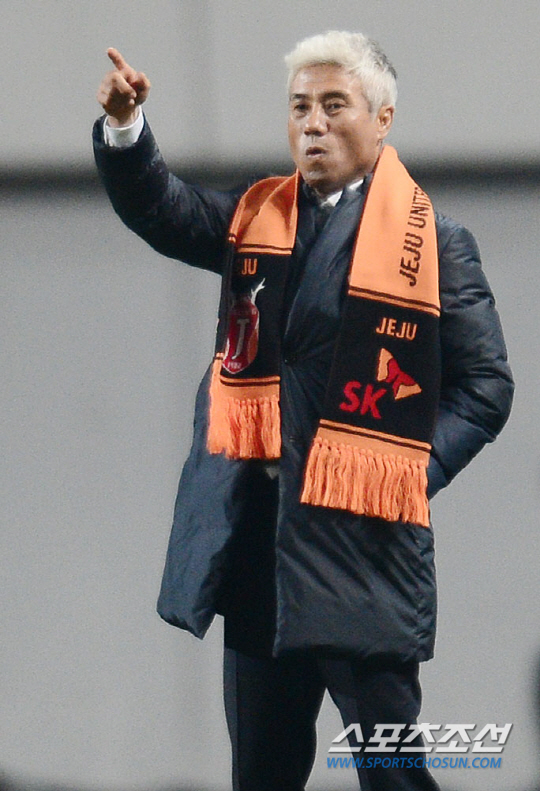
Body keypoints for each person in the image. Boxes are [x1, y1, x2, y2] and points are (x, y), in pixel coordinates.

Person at [94, 31, 513, 791]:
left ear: (382, 119)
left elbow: (486, 388)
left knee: (391, 773)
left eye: (333, 105)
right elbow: (164, 208)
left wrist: (406, 475)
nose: (312, 124)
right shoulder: (257, 218)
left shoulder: (434, 243)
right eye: (299, 107)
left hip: (363, 554)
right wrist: (127, 129)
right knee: (261, 773)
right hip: (260, 548)